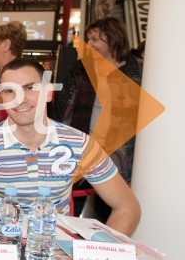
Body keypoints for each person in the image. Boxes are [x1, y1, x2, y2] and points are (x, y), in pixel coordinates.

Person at [0, 58, 141, 236]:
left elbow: (127, 207)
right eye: (10, 91)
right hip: (3, 251)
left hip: (54, 253)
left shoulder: (80, 144)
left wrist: (101, 256)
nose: (20, 99)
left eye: (30, 88)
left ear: (48, 93)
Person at [54, 17, 142, 184]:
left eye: (95, 39)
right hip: (82, 151)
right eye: (88, 39)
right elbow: (64, 108)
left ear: (113, 38)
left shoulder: (136, 72)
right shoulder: (81, 69)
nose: (90, 44)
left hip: (119, 154)